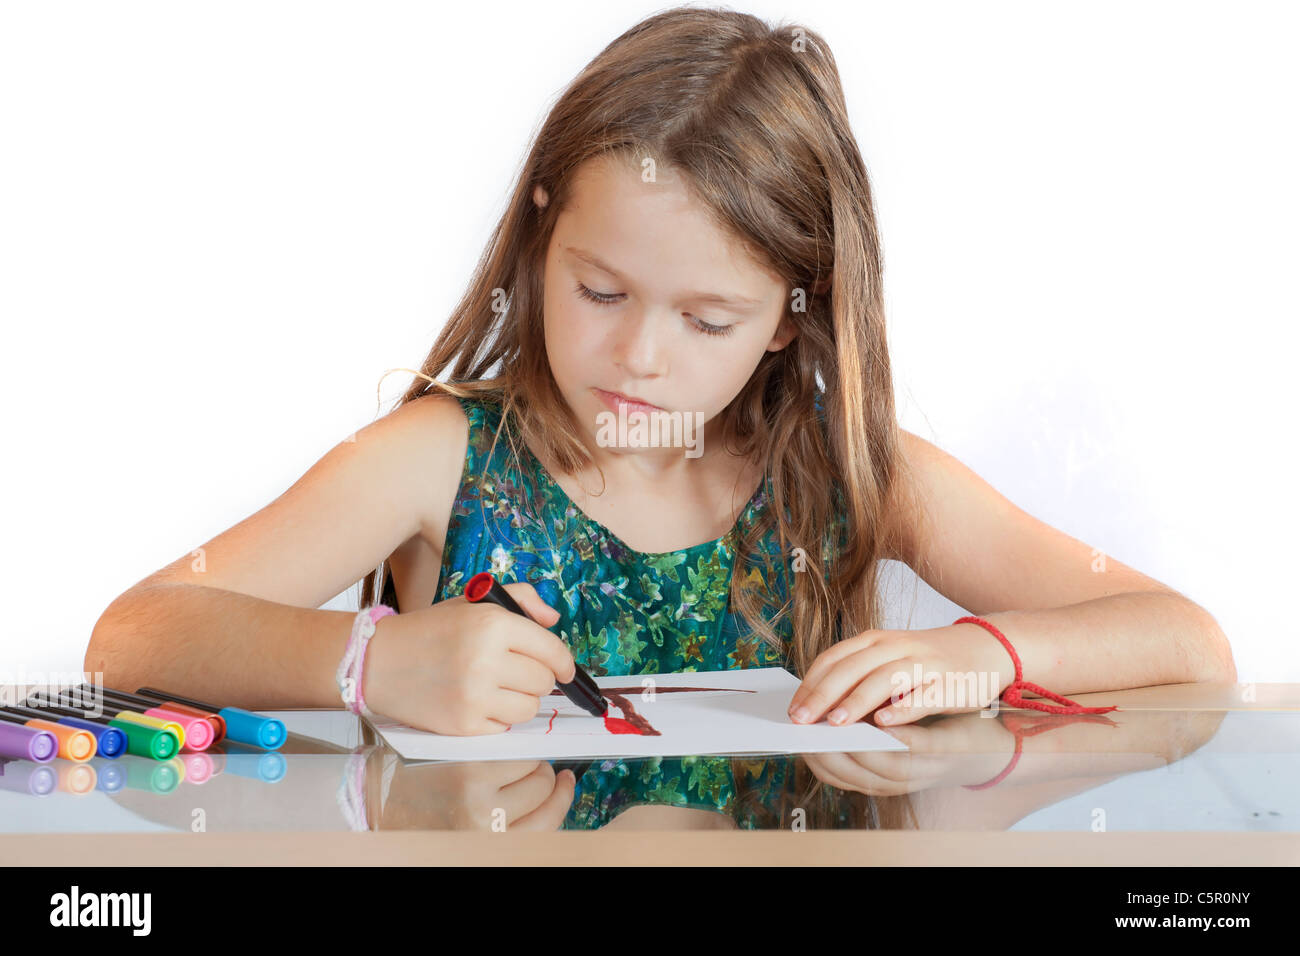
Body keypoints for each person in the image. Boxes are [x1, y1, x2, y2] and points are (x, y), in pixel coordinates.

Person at [87, 8, 1233, 827]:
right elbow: (133, 634)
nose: (639, 354)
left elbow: (1184, 638)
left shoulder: (854, 473)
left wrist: (977, 651)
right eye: (600, 292)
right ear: (541, 245)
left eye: (708, 318)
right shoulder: (441, 460)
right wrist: (367, 660)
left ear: (792, 316)